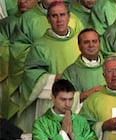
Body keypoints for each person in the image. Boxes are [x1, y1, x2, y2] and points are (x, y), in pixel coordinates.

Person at [17, 1, 82, 132]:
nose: (59, 20)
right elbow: (31, 75)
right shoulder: (40, 46)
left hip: (78, 102)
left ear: (69, 17)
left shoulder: (79, 41)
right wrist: (54, 78)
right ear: (48, 19)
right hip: (50, 103)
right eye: (54, 16)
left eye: (62, 15)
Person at [32, 79, 101, 140]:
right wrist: (63, 135)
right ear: (53, 97)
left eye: (71, 99)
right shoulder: (41, 124)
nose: (68, 104)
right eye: (63, 99)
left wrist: (74, 137)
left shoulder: (81, 122)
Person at [62, 28, 106, 103]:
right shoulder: (70, 72)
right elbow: (63, 100)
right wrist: (86, 94)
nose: (91, 45)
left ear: (99, 43)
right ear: (79, 46)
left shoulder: (111, 66)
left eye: (94, 41)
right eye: (86, 42)